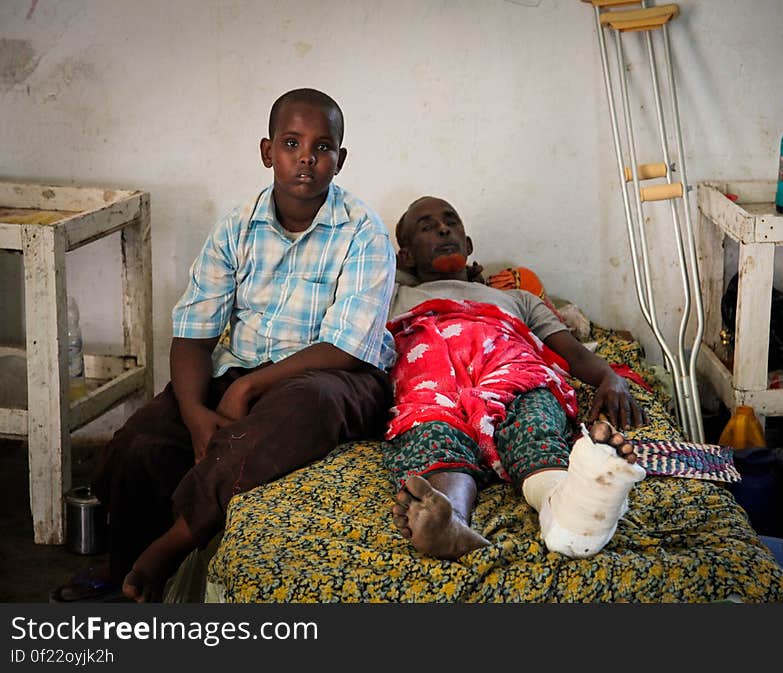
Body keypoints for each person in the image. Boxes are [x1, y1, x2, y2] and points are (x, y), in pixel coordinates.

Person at [64, 88, 396, 602]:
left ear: (340, 160)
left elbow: (346, 347)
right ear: (268, 152)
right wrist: (196, 411)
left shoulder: (363, 232)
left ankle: (173, 545)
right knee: (142, 442)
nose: (306, 157)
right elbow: (194, 332)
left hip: (335, 376)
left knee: (302, 409)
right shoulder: (236, 227)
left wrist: (248, 390)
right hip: (241, 366)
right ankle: (124, 573)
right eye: (291, 143)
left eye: (322, 147)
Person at [384, 196, 647, 561]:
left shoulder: (517, 299)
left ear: (469, 243)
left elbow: (574, 354)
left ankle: (568, 513)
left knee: (533, 423)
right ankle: (449, 522)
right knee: (433, 436)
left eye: (451, 222)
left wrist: (611, 379)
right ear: (407, 256)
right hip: (432, 383)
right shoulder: (392, 296)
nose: (443, 229)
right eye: (426, 227)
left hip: (511, 371)